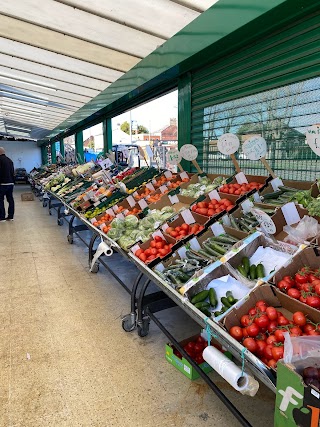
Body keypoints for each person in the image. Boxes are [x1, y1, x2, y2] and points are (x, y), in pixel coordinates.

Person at [0, 147, 15, 222]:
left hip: (2, 183)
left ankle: (2, 217)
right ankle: (11, 216)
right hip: (10, 183)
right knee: (10, 199)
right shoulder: (10, 160)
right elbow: (13, 172)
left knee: (0, 200)